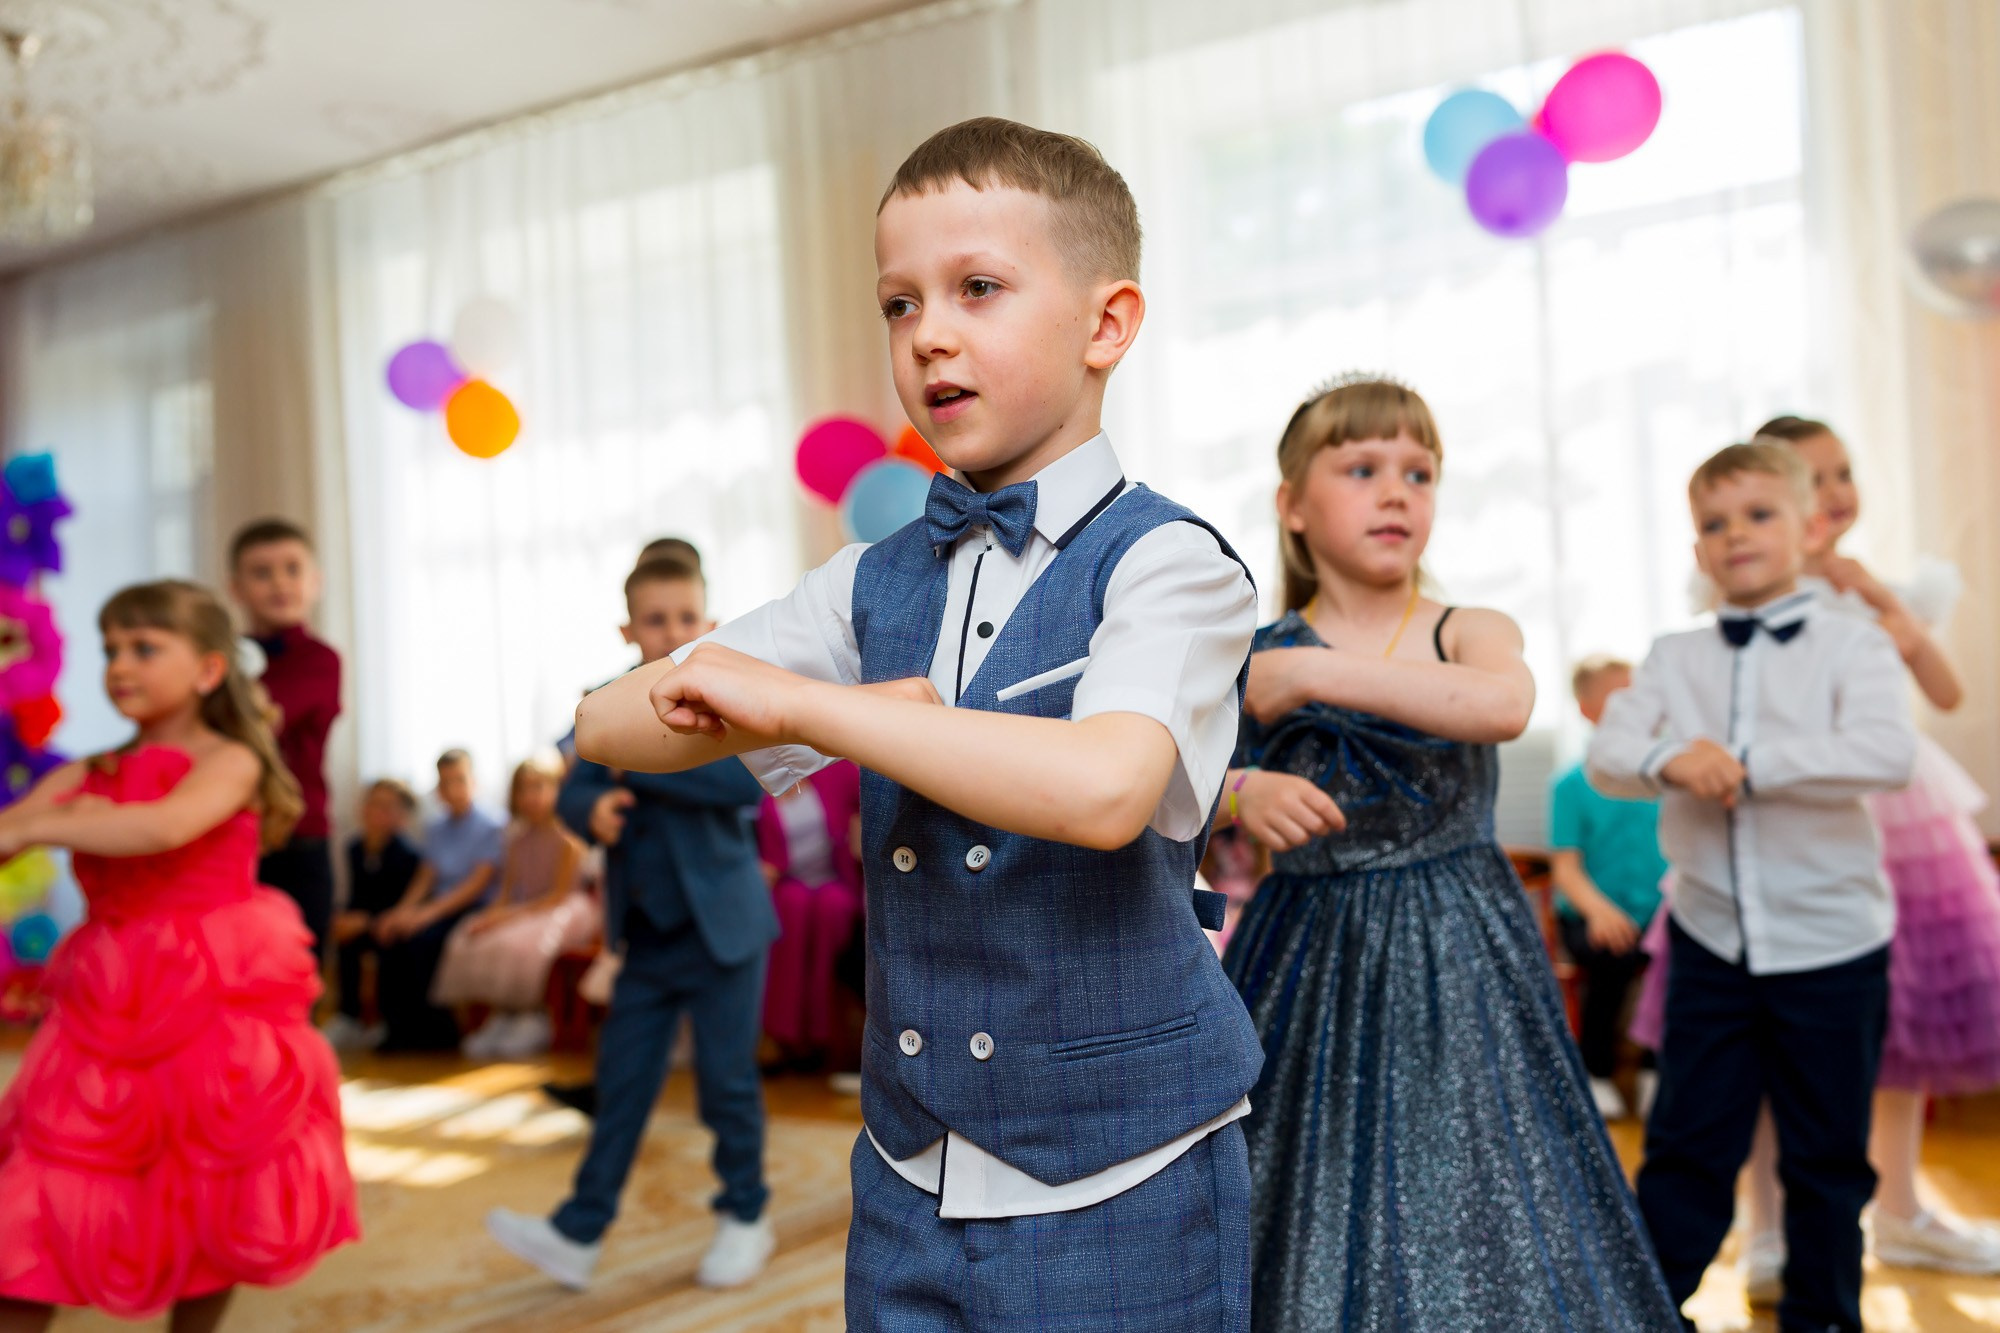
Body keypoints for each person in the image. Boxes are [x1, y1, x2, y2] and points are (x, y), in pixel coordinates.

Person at [556, 117, 1263, 1330]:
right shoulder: (871, 579)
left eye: (977, 288)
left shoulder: (1172, 566)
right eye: (897, 303)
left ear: (1107, 324)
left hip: (1120, 1179)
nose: (927, 332)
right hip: (902, 1177)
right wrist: (815, 702)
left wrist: (808, 708)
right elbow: (606, 721)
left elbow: (1102, 790)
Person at [1220, 376, 1676, 1330]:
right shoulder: (1245, 653)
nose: (1398, 492)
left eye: (1419, 472)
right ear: (1292, 504)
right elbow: (1163, 781)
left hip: (1460, 943)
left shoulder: (1465, 628)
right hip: (1310, 949)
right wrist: (1240, 790)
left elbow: (1502, 703)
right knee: (1307, 1168)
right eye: (1363, 468)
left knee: (1479, 1168)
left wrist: (1309, 674)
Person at [1590, 439, 1916, 1333]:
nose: (1736, 535)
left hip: (1834, 943)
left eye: (1759, 514)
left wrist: (1749, 763)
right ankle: (1649, 1311)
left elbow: (1888, 751)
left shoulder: (1857, 645)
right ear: (1697, 549)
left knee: (1826, 1155)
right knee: (1689, 1141)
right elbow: (1610, 753)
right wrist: (1670, 756)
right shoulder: (1671, 655)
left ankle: (1823, 1317)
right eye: (1713, 523)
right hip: (1709, 942)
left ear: (1811, 527)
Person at [0, 580, 358, 1330]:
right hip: (108, 997)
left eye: (143, 647)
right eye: (109, 649)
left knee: (212, 1179)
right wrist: (32, 822)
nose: (119, 664)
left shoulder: (232, 761)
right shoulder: (92, 770)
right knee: (51, 1181)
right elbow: (17, 821)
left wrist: (54, 825)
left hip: (214, 994)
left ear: (206, 670)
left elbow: (164, 828)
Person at [1720, 417, 2000, 1295]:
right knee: (1777, 1032)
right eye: (1810, 479)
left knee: (1907, 1022)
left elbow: (1946, 693)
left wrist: (1886, 606)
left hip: (1909, 827)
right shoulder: (1750, 597)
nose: (1835, 492)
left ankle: (1904, 1207)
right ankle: (1766, 1228)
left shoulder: (1890, 591)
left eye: (1842, 472)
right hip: (1799, 824)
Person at [487, 555, 777, 1291]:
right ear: (628, 626)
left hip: (727, 928)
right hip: (645, 934)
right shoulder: (603, 700)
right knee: (621, 1084)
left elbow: (739, 783)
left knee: (726, 1084)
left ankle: (746, 1212)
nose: (671, 630)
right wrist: (595, 804)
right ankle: (579, 1229)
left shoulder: (731, 691)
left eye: (685, 617)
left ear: (708, 623)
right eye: (655, 618)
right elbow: (573, 790)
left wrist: (635, 766)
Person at [1550, 654, 1666, 1122]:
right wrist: (1598, 910)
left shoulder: (1667, 775)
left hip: (1660, 910)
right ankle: (1595, 1072)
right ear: (1586, 709)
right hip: (1591, 913)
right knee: (1611, 956)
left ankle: (1659, 1071)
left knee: (1683, 960)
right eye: (1620, 695)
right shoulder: (1570, 785)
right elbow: (1566, 868)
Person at [229, 519, 342, 965]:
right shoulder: (223, 659)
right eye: (261, 572)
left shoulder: (320, 660)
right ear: (235, 587)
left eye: (292, 569)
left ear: (315, 582)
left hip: (300, 838)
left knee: (294, 970)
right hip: (235, 836)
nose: (279, 582)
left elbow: (259, 721)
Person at [435, 752, 598, 1060]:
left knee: (520, 944)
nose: (530, 797)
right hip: (528, 907)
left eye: (539, 787)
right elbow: (507, 893)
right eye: (523, 789)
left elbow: (557, 896)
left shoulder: (568, 839)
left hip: (563, 909)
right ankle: (502, 1016)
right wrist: (492, 915)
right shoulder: (515, 839)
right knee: (470, 933)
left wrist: (507, 917)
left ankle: (531, 1015)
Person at [373, 750, 505, 1051]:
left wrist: (425, 916)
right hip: (439, 904)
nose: (454, 789)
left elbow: (474, 886)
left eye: (460, 780)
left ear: (474, 781)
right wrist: (401, 912)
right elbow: (426, 877)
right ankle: (398, 1028)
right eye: (446, 782)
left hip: (472, 906)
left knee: (425, 941)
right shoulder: (436, 827)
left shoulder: (492, 825)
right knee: (392, 936)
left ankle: (439, 1031)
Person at [757, 759, 863, 1068]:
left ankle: (822, 1036)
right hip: (785, 882)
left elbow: (872, 797)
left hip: (834, 880)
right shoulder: (755, 781)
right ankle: (784, 1037)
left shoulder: (835, 772)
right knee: (792, 907)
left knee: (833, 907)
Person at [323, 777, 422, 1052]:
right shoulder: (354, 848)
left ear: (400, 815)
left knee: (390, 943)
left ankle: (386, 1020)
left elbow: (399, 902)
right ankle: (348, 1018)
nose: (376, 811)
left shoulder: (407, 854)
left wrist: (366, 920)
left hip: (391, 924)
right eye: (372, 803)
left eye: (386, 806)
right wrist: (345, 918)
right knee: (344, 940)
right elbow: (357, 896)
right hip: (365, 922)